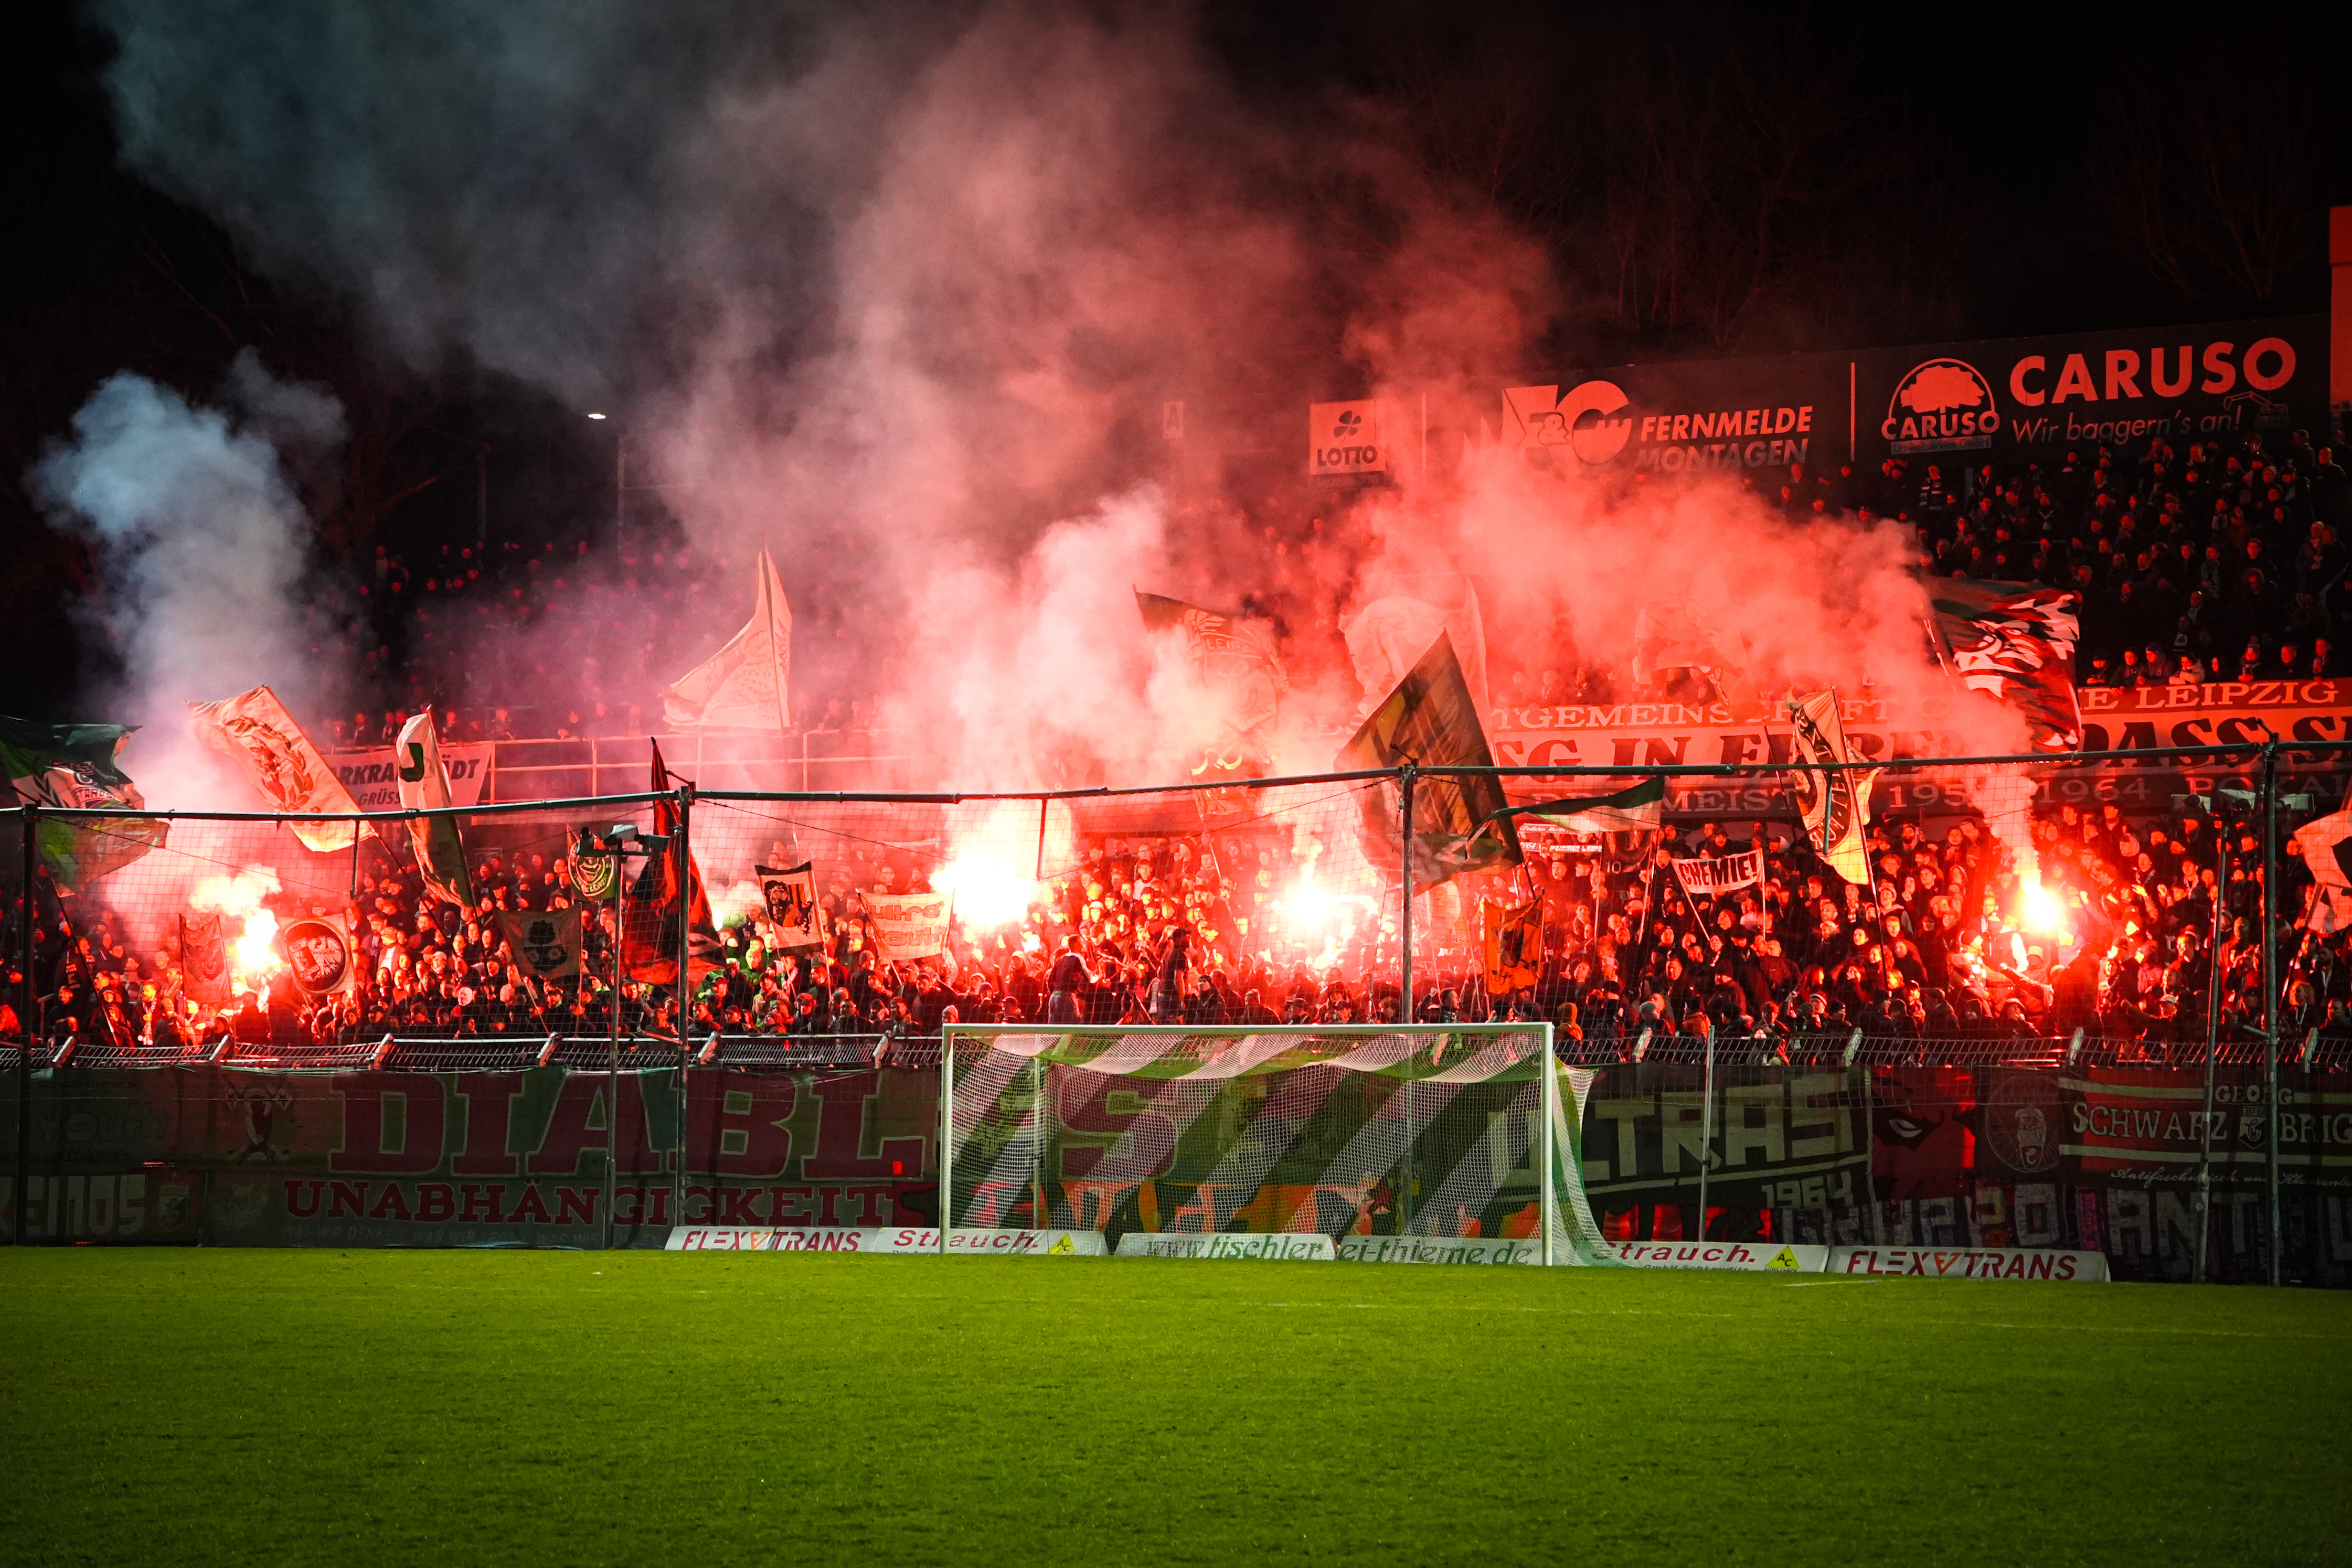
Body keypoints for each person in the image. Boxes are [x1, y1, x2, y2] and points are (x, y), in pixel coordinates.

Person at [1045, 936, 1093, 1025]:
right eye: (1082, 942)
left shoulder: (1060, 959)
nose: (1084, 945)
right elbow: (1090, 978)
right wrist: (1099, 974)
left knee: (1053, 1031)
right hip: (1067, 997)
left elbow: (1050, 980)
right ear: (1076, 944)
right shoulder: (1078, 958)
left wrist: (1055, 993)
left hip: (1054, 998)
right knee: (1072, 1029)